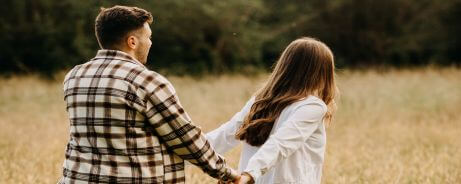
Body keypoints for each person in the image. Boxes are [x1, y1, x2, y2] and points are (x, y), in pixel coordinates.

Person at [59, 5, 241, 183]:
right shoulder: (145, 81)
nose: (151, 43)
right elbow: (185, 139)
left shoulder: (74, 76)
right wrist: (226, 173)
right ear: (132, 42)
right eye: (149, 37)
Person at [207, 37, 339, 184]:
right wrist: (248, 175)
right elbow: (280, 144)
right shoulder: (312, 106)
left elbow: (224, 135)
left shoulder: (261, 101)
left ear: (285, 66)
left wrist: (188, 150)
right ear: (322, 74)